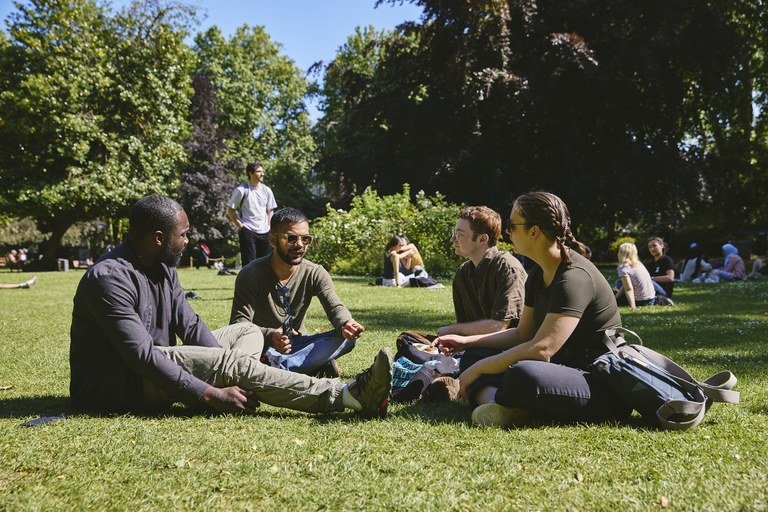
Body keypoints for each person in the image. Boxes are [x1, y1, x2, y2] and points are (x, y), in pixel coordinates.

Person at [70, 195, 392, 418]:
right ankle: (347, 394)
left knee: (247, 332)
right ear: (158, 238)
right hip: (125, 385)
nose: (188, 242)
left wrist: (223, 368)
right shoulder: (109, 279)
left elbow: (190, 325)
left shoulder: (163, 267)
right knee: (233, 364)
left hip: (158, 363)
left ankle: (249, 375)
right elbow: (141, 356)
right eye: (183, 235)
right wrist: (209, 394)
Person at [433, 191, 630, 428]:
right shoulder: (538, 274)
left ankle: (502, 401)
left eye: (513, 226)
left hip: (597, 382)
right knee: (477, 354)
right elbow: (522, 334)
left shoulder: (573, 277)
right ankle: (500, 406)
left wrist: (479, 370)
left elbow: (542, 349)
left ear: (534, 231)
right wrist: (467, 343)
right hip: (561, 367)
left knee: (524, 373)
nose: (507, 232)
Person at [230, 207, 365, 379]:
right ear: (273, 240)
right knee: (251, 350)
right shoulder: (251, 274)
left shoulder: (314, 272)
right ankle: (309, 365)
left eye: (305, 239)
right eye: (291, 238)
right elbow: (238, 325)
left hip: (299, 344)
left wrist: (346, 323)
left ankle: (276, 369)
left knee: (347, 338)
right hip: (263, 347)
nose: (300, 245)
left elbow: (334, 307)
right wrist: (271, 335)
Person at [437, 206, 527, 337]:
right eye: (454, 233)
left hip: (509, 347)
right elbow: (464, 327)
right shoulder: (462, 273)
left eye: (459, 234)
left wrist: (449, 330)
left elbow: (499, 327)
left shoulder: (507, 268)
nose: (452, 239)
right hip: (475, 346)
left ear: (482, 239)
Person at [227, 162, 277, 266]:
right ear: (250, 173)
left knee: (265, 264)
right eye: (259, 171)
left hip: (265, 231)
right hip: (248, 230)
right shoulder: (242, 190)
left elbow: (270, 210)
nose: (262, 174)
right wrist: (241, 226)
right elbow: (230, 210)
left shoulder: (267, 190)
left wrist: (269, 226)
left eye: (263, 171)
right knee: (249, 265)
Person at [614, 242, 656, 308]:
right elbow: (625, 286)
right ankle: (659, 300)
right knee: (617, 290)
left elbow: (628, 289)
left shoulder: (623, 267)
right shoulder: (639, 263)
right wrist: (615, 297)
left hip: (640, 301)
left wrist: (633, 307)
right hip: (651, 299)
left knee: (609, 295)